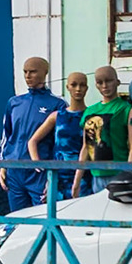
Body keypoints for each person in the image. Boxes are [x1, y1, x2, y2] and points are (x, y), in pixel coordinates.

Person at [0, 56, 67, 211]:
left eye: (33, 72)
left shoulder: (57, 104)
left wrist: (53, 174)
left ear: (45, 73)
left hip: (39, 170)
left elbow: (60, 143)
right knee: (17, 218)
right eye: (25, 72)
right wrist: (3, 164)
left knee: (43, 216)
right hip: (14, 168)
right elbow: (7, 134)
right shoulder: (14, 102)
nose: (28, 76)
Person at [30, 71, 90, 199]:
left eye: (82, 85)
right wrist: (38, 164)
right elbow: (33, 141)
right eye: (74, 85)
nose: (78, 89)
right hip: (59, 175)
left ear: (87, 88)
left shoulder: (90, 116)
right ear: (67, 87)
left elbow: (89, 147)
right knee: (56, 214)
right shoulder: (57, 116)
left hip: (83, 175)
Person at [82, 65, 132, 189]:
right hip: (96, 173)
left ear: (117, 82)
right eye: (100, 82)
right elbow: (86, 146)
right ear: (96, 85)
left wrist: (130, 173)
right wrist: (77, 179)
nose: (105, 86)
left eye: (109, 81)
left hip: (119, 171)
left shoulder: (125, 109)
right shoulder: (90, 111)